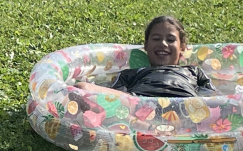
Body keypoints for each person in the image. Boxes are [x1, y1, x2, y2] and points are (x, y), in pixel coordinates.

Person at [75, 16, 216, 98]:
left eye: (171, 40)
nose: (163, 43)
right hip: (141, 104)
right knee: (81, 87)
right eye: (156, 38)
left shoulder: (193, 71)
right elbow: (116, 95)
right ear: (146, 46)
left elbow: (213, 96)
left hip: (184, 102)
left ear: (182, 47)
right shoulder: (133, 72)